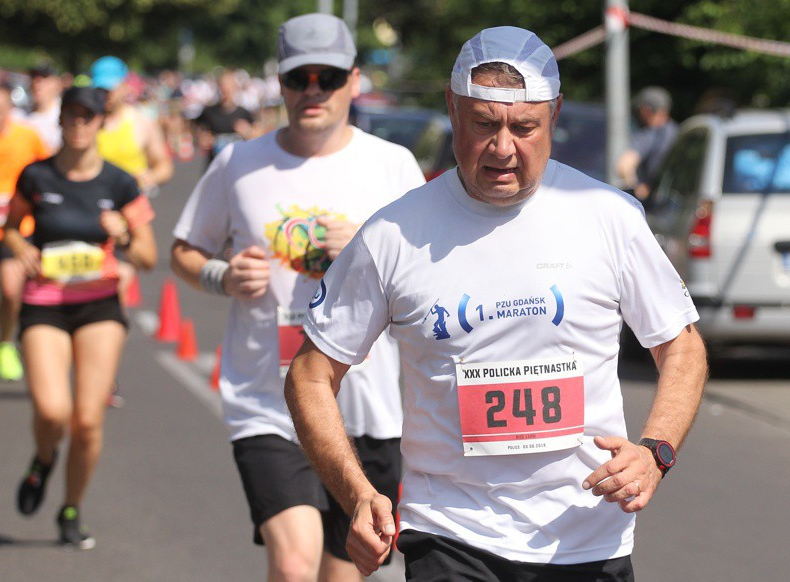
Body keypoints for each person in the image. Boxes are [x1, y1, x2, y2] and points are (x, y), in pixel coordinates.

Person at [285, 26, 708, 581]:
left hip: (584, 537)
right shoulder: (393, 234)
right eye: (484, 124)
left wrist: (655, 452)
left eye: (524, 127)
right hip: (450, 531)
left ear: (554, 115)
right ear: (452, 109)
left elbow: (682, 348)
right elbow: (310, 376)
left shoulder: (608, 217)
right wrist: (358, 493)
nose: (503, 148)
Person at [171, 13, 424, 581]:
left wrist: (364, 250)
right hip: (268, 398)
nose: (313, 90)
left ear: (354, 81)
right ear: (280, 83)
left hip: (366, 407)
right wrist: (224, 276)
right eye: (298, 77)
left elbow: (428, 275)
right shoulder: (237, 164)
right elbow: (184, 251)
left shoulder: (392, 166)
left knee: (343, 573)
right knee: (291, 564)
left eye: (328, 77)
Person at [5, 85, 157, 548]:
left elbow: (148, 256)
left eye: (87, 116)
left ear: (101, 122)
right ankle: (43, 458)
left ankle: (71, 509)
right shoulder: (36, 176)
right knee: (53, 410)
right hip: (45, 302)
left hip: (99, 307)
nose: (77, 123)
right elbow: (11, 228)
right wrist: (22, 249)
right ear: (61, 120)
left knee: (88, 420)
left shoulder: (121, 183)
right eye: (70, 115)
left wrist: (125, 235)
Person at [90, 56, 173, 307]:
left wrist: (149, 176)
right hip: (89, 215)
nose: (105, 94)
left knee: (120, 283)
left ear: (124, 86)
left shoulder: (139, 122)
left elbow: (164, 166)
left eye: (110, 88)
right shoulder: (85, 123)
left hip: (128, 218)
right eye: (100, 88)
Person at [0, 81, 50, 381]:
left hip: (14, 229)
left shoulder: (27, 137)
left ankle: (5, 343)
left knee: (11, 288)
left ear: (10, 109)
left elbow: (50, 171)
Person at [616, 86, 679, 201]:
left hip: (656, 202)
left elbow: (624, 165)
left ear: (645, 110)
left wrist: (636, 188)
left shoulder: (650, 133)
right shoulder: (676, 131)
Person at [194, 68, 256, 166]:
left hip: (238, 166)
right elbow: (197, 133)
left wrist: (249, 133)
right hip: (216, 166)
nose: (225, 90)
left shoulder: (244, 113)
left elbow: (259, 137)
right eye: (222, 86)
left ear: (235, 88)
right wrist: (201, 139)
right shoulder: (209, 112)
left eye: (229, 86)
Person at [27, 64, 63, 151]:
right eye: (34, 78)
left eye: (44, 79)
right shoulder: (18, 114)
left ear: (57, 84)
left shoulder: (65, 114)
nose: (37, 85)